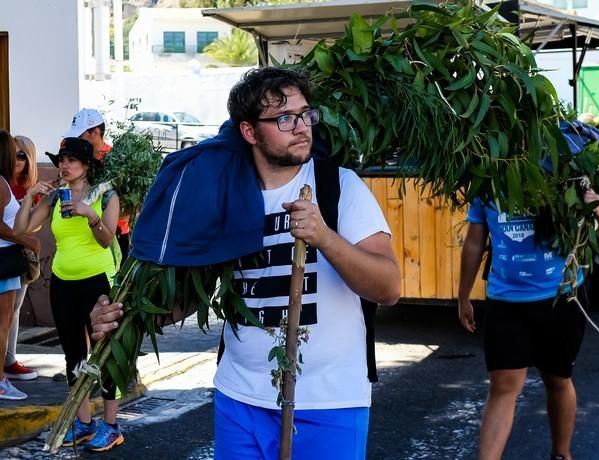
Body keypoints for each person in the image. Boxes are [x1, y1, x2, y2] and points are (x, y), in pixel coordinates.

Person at [90, 67, 401, 459]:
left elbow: (389, 287)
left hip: (328, 401)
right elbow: (189, 294)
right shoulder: (223, 195)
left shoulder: (340, 187)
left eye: (306, 114)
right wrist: (122, 319)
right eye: (284, 118)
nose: (301, 126)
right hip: (240, 398)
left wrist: (325, 237)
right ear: (249, 132)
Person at [458, 186, 599, 460]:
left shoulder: (568, 166)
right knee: (502, 385)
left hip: (560, 295)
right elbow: (475, 240)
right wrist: (463, 295)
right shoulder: (487, 175)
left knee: (557, 378)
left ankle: (561, 454)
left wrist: (595, 207)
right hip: (505, 299)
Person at [13, 137, 124, 451]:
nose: (64, 165)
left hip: (98, 282)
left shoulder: (106, 194)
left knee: (105, 355)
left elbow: (106, 240)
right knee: (74, 354)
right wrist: (30, 197)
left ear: (87, 165)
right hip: (63, 281)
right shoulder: (56, 197)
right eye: (61, 160)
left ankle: (112, 425)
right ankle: (84, 422)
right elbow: (22, 231)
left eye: (71, 160)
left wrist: (90, 214)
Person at [0, 131, 39, 400]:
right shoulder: (2, 185)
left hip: (7, 260)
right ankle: (1, 380)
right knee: (3, 323)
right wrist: (26, 240)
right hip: (4, 260)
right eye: (13, 151)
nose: (17, 157)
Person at [65, 108, 130, 257]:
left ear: (95, 132)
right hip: (80, 230)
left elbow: (130, 204)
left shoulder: (118, 160)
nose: (77, 140)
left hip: (116, 232)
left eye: (80, 135)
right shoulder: (75, 159)